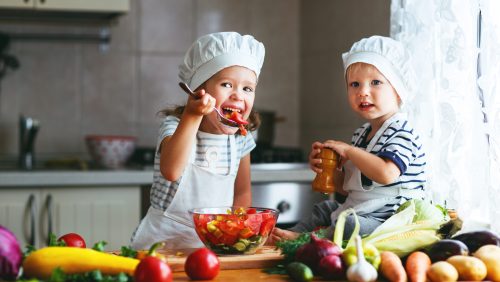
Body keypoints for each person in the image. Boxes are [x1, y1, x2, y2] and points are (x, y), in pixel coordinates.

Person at [269, 35, 426, 244]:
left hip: (390, 220)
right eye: (354, 84)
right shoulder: (362, 134)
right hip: (360, 210)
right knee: (326, 208)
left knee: (351, 224)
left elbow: (386, 174)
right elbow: (351, 187)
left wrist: (350, 151)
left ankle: (305, 240)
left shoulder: (403, 132)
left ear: (399, 90)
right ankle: (282, 237)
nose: (363, 92)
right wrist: (328, 172)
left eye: (376, 82)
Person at [130, 31, 265, 250]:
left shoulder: (241, 138)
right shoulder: (174, 125)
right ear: (198, 90)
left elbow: (242, 192)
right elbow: (171, 171)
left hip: (212, 246)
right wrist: (192, 115)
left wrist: (235, 230)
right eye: (226, 85)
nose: (238, 95)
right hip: (160, 244)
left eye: (247, 88)